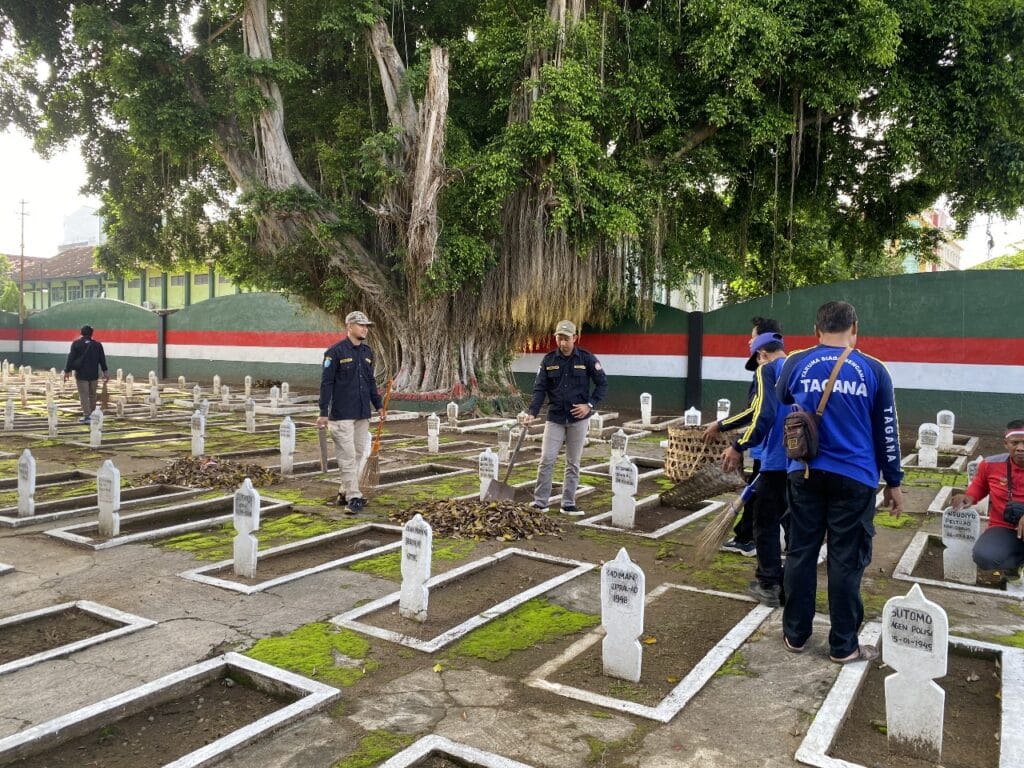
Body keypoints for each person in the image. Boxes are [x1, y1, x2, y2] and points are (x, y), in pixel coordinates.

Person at [776, 300, 903, 663]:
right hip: (855, 477)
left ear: (816, 330)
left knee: (801, 553)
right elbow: (887, 431)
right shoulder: (874, 370)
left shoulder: (797, 362)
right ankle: (843, 645)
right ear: (855, 328)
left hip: (804, 473)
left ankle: (796, 635)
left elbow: (785, 397)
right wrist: (893, 482)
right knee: (846, 561)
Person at [715, 331, 789, 606]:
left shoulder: (767, 371)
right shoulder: (799, 368)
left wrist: (738, 445)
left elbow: (764, 414)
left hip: (776, 461)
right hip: (803, 461)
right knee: (794, 526)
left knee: (765, 522)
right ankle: (793, 585)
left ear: (762, 355)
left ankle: (769, 584)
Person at [704, 316, 783, 556]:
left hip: (768, 448)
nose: (749, 340)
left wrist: (733, 439)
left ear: (761, 351)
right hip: (792, 452)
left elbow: (757, 412)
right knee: (772, 500)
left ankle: (749, 542)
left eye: (752, 336)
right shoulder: (794, 368)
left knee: (764, 506)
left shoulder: (766, 371)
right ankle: (749, 536)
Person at [522, 320, 607, 514]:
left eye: (566, 339)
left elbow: (603, 384)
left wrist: (590, 405)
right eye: (559, 338)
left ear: (575, 338)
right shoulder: (549, 360)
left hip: (578, 419)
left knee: (573, 462)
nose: (562, 343)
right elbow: (540, 389)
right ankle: (540, 502)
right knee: (547, 459)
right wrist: (532, 413)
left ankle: (568, 503)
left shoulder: (586, 358)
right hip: (556, 418)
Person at [317, 311, 383, 513]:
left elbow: (370, 382)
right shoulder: (334, 352)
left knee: (357, 455)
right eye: (361, 325)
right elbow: (326, 383)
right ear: (349, 327)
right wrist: (323, 412)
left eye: (366, 326)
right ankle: (355, 497)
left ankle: (344, 491)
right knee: (347, 456)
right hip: (341, 414)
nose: (365, 329)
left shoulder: (367, 353)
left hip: (362, 413)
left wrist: (378, 405)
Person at [951, 420, 1024, 581]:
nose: (1020, 448)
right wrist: (968, 497)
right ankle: (1014, 565)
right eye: (1015, 443)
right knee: (984, 556)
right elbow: (979, 486)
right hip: (1004, 526)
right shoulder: (991, 464)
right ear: (1006, 444)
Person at [63, 325, 109, 422]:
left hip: (81, 375)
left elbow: (71, 358)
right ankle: (93, 415)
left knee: (84, 395)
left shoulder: (76, 344)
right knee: (92, 395)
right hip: (93, 375)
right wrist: (105, 372)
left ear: (81, 333)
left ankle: (87, 415)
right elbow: (102, 360)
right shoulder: (97, 345)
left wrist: (67, 371)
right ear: (92, 334)